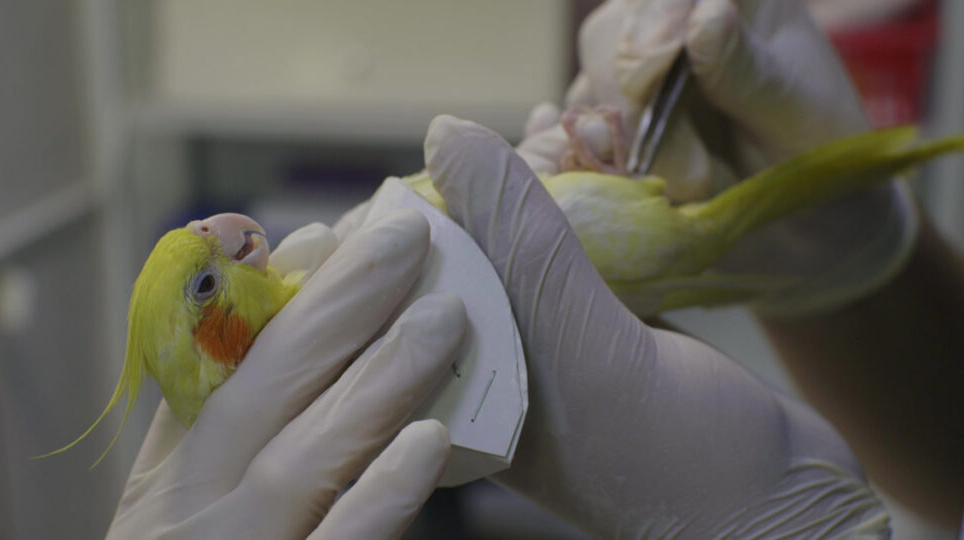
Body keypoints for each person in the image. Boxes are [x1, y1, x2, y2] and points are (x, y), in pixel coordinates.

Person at [108, 0, 963, 537]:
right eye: (206, 281)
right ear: (218, 343)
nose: (219, 234)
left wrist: (861, 276)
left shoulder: (321, 290)